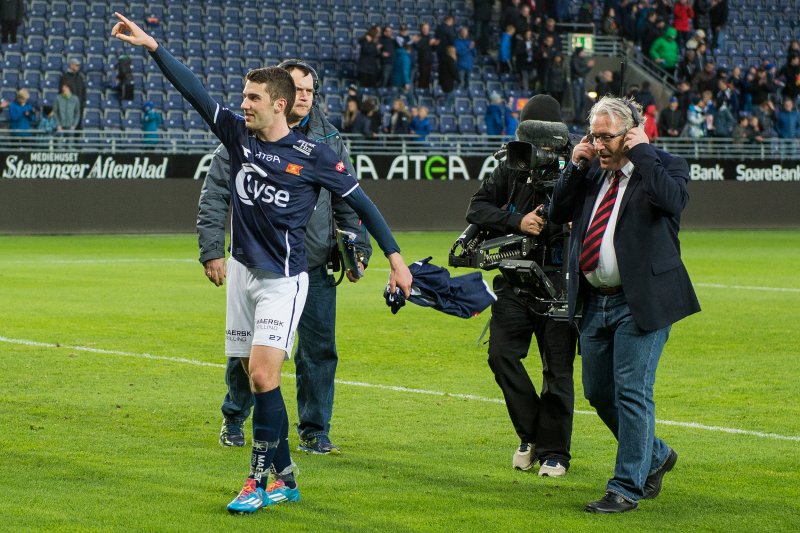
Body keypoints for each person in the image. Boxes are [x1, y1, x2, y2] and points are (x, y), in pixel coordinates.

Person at [111, 13, 412, 514]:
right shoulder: (237, 135)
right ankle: (289, 476)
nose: (241, 104)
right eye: (243, 97)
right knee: (253, 376)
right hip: (243, 275)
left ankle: (257, 481)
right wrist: (153, 47)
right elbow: (196, 93)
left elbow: (363, 204)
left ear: (279, 105)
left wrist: (396, 262)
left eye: (252, 98)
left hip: (283, 282)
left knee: (264, 377)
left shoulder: (317, 154)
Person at [199, 59, 373, 457]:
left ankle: (314, 430)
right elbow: (215, 196)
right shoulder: (245, 136)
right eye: (300, 89)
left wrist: (357, 248)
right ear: (282, 98)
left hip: (313, 263)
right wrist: (212, 249)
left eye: (312, 90)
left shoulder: (328, 141)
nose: (307, 97)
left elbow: (350, 203)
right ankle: (234, 417)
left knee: (319, 351)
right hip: (259, 262)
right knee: (247, 354)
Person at [549, 95, 700, 513]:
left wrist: (643, 153)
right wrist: (574, 166)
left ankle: (626, 488)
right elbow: (557, 211)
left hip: (641, 301)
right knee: (599, 392)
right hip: (596, 300)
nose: (598, 145)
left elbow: (673, 203)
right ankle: (656, 455)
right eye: (593, 136)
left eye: (606, 137)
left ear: (630, 133)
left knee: (633, 391)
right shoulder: (593, 172)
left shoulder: (664, 166)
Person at [466, 94, 577, 477]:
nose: (540, 152)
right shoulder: (512, 166)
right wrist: (517, 222)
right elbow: (476, 209)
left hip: (561, 281)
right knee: (501, 356)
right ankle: (531, 435)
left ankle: (555, 453)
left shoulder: (578, 166)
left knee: (557, 370)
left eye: (546, 144)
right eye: (533, 143)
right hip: (515, 279)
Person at [59, 59, 87, 130]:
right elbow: (61, 92)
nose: (78, 67)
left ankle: (76, 141)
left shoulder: (80, 77)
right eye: (76, 65)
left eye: (78, 65)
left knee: (78, 127)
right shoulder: (65, 77)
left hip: (79, 107)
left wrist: (83, 102)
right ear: (71, 65)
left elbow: (83, 91)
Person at [570, 47, 595, 125]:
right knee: (577, 101)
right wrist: (588, 66)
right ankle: (577, 118)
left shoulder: (581, 60)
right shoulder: (574, 60)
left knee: (582, 101)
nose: (584, 53)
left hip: (581, 81)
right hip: (576, 82)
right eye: (583, 52)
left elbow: (584, 72)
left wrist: (589, 66)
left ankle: (579, 117)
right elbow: (579, 71)